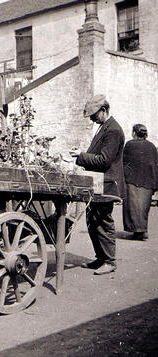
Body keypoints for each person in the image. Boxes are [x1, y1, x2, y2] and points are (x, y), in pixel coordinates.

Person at [70, 94, 125, 275]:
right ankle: (101, 258)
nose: (93, 119)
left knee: (103, 221)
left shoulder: (113, 130)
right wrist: (81, 157)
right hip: (99, 183)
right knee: (92, 221)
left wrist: (80, 155)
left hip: (107, 183)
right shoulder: (104, 127)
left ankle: (110, 261)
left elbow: (104, 160)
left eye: (94, 115)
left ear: (104, 110)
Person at [122, 124, 158, 240]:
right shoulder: (152, 146)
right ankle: (141, 230)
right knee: (143, 208)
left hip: (132, 181)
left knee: (132, 207)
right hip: (147, 182)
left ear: (134, 133)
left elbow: (124, 161)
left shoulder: (130, 145)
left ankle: (137, 232)